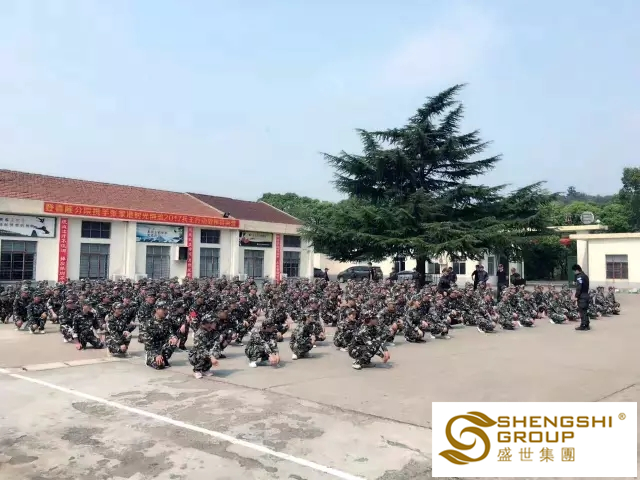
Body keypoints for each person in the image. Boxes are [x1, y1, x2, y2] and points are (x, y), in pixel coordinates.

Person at [573, 264, 591, 331]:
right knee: (585, 311)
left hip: (582, 296)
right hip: (586, 295)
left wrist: (576, 296)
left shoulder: (579, 277)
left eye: (574, 271)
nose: (574, 273)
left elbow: (579, 287)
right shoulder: (585, 276)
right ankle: (587, 325)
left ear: (577, 270)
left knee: (582, 311)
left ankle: (583, 325)